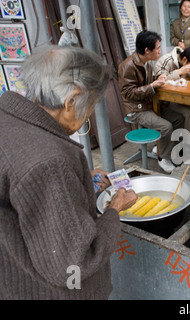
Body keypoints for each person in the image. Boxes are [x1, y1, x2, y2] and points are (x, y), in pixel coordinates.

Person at [0, 46, 138, 299]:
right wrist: (114, 209)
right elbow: (73, 263)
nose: (87, 117)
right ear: (71, 100)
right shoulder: (49, 163)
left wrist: (80, 179)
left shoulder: (7, 118)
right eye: (91, 106)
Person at [118, 30, 185, 173]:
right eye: (158, 48)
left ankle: (164, 147)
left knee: (179, 118)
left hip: (148, 105)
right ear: (147, 50)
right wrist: (151, 86)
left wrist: (157, 80)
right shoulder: (127, 66)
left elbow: (147, 84)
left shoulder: (147, 63)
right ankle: (163, 158)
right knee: (166, 127)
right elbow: (128, 93)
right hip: (136, 109)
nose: (160, 51)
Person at [154, 46, 190, 145]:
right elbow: (159, 81)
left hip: (181, 98)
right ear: (184, 59)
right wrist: (179, 72)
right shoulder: (166, 61)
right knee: (189, 112)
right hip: (165, 101)